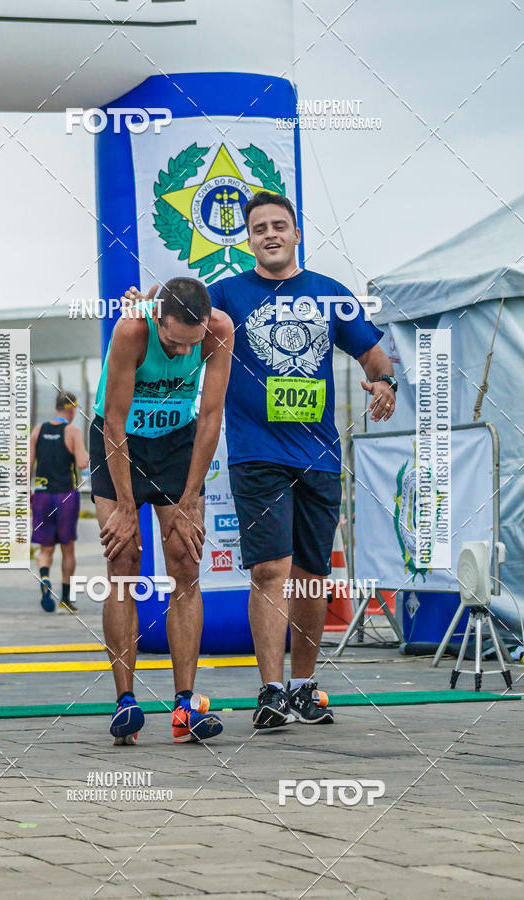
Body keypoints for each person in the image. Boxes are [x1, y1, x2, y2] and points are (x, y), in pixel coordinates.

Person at [208, 190, 398, 730]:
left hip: (318, 455)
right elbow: (177, 320)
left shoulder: (328, 294)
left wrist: (384, 382)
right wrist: (145, 303)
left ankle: (304, 685)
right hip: (256, 453)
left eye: (279, 225)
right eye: (259, 228)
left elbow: (371, 351)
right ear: (249, 240)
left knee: (313, 576)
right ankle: (270, 691)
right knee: (271, 568)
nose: (269, 234)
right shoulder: (225, 295)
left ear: (296, 234)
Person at [89, 277, 233, 745]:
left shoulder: (218, 331)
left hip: (176, 441)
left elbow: (210, 416)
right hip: (121, 438)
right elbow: (113, 422)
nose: (177, 353)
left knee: (186, 563)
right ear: (157, 319)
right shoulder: (133, 330)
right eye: (171, 342)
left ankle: (184, 705)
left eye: (186, 346)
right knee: (123, 562)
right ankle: (125, 702)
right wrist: (127, 507)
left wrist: (191, 498)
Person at [30, 391, 89, 613]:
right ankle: (65, 597)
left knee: (46, 549)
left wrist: (28, 491)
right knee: (68, 549)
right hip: (65, 495)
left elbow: (28, 463)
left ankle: (45, 577)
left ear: (57, 407)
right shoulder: (73, 431)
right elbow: (82, 463)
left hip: (42, 494)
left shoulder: (38, 430)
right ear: (72, 409)